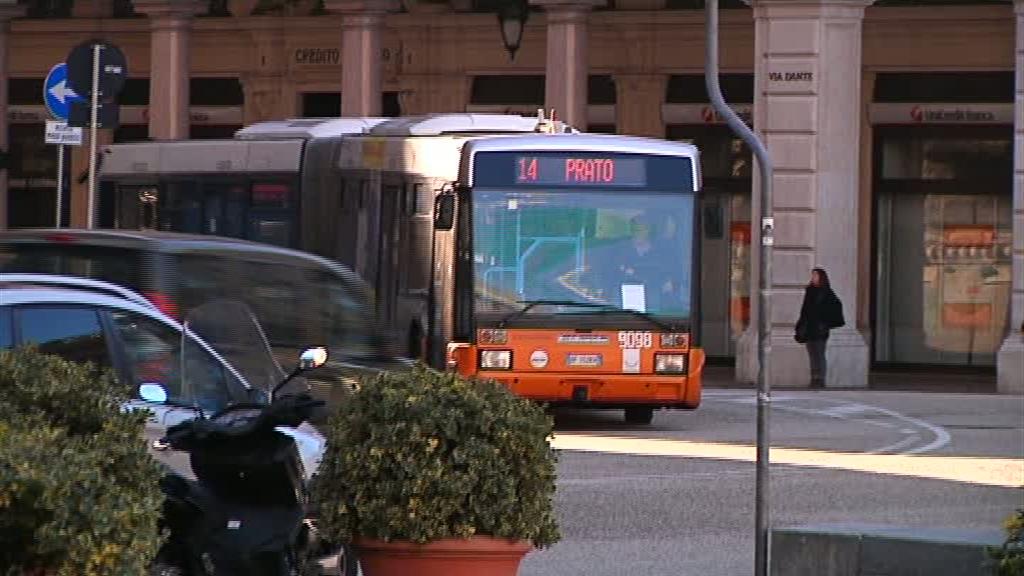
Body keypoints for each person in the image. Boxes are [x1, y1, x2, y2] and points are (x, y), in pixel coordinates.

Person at [794, 267, 845, 389]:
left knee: (820, 354)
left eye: (815, 275)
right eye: (812, 275)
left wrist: (826, 322)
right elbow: (804, 310)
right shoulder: (810, 291)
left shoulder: (826, 292)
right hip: (809, 328)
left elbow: (837, 305)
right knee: (812, 354)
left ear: (821, 277)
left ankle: (821, 379)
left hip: (820, 329)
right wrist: (800, 325)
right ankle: (814, 378)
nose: (813, 278)